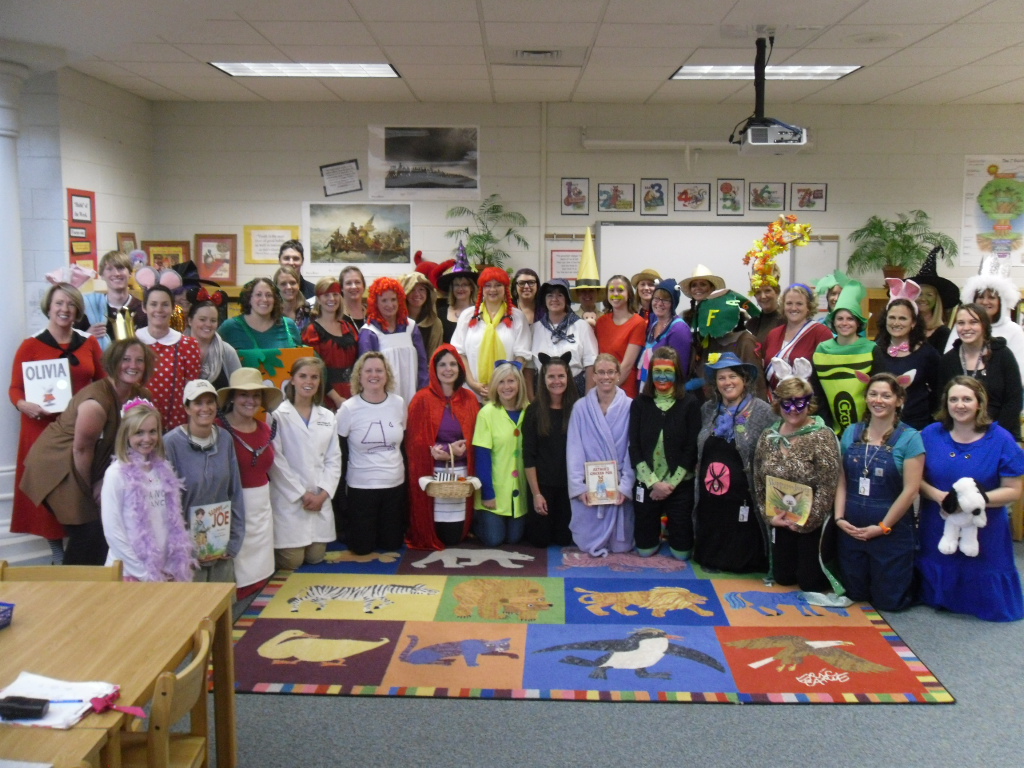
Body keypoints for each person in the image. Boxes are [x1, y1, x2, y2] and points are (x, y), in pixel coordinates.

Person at [21, 339, 154, 565]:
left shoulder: (141, 397)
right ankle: (72, 590)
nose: (133, 365)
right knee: (89, 527)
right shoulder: (96, 402)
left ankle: (95, 586)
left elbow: (136, 441)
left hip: (91, 462)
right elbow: (82, 450)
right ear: (113, 362)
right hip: (59, 463)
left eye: (139, 360)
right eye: (126, 359)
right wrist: (90, 489)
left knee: (100, 530)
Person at [9, 282, 105, 563]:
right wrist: (23, 405)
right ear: (49, 308)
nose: (65, 309)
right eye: (59, 303)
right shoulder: (30, 345)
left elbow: (102, 382)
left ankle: (79, 553)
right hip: (42, 430)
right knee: (48, 492)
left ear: (77, 310)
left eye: (71, 304)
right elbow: (15, 389)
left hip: (81, 429)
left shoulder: (89, 343)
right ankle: (57, 555)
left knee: (78, 490)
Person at [917, 376, 1024, 621]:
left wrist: (972, 502)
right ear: (946, 404)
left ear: (979, 403)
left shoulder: (1001, 439)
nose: (960, 405)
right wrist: (938, 496)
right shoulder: (931, 434)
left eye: (967, 399)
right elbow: (915, 480)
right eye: (954, 399)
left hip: (984, 525)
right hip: (938, 519)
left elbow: (1014, 490)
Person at [753, 366, 845, 601]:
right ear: (778, 403)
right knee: (783, 577)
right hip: (780, 517)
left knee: (809, 583)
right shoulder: (769, 435)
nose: (793, 410)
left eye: (799, 403)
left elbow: (828, 484)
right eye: (787, 403)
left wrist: (807, 522)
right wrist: (769, 516)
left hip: (811, 521)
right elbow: (758, 480)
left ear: (809, 403)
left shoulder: (821, 435)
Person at [834, 373, 924, 611]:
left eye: (886, 395)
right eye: (873, 394)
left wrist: (883, 527)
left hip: (890, 532)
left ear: (899, 400)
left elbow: (911, 491)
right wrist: (839, 519)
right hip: (851, 528)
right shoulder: (851, 433)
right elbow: (842, 481)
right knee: (856, 593)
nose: (878, 400)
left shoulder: (910, 438)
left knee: (890, 603)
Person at [694, 353, 775, 573]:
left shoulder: (763, 412)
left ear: (745, 380)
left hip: (744, 500)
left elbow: (774, 452)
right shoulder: (708, 410)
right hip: (711, 499)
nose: (727, 382)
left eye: (732, 376)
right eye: (721, 378)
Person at [101, 399, 196, 582]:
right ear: (126, 435)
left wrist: (170, 566)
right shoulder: (116, 474)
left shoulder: (164, 470)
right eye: (139, 433)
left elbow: (171, 522)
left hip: (164, 571)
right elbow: (113, 532)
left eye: (153, 431)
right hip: (130, 573)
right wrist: (145, 575)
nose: (147, 439)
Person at [164, 379, 245, 585]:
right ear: (187, 408)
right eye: (198, 403)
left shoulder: (225, 439)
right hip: (187, 551)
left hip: (220, 543)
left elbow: (234, 491)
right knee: (192, 610)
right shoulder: (170, 444)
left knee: (223, 607)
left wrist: (234, 540)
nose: (205, 408)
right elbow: (165, 504)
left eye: (210, 402)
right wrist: (178, 550)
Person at [269, 357, 342, 570]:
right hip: (291, 498)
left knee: (316, 557)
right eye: (302, 376)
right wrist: (302, 493)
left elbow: (333, 458)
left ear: (320, 382)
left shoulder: (328, 416)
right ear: (292, 380)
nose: (308, 381)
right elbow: (276, 461)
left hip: (319, 497)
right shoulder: (277, 415)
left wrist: (323, 494)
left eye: (314, 377)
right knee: (293, 561)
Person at [217, 367, 285, 595]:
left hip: (262, 504)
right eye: (244, 395)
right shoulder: (218, 429)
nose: (250, 401)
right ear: (233, 398)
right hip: (232, 505)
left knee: (260, 561)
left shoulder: (266, 429)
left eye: (256, 396)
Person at [406, 344, 480, 550]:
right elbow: (415, 442)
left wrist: (459, 451)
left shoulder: (470, 399)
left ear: (460, 368)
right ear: (434, 369)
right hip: (433, 474)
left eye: (453, 364)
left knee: (454, 537)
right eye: (442, 365)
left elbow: (476, 438)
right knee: (440, 534)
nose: (448, 369)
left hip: (462, 474)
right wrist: (445, 452)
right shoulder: (421, 399)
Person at [629, 347, 700, 559]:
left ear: (677, 373)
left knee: (682, 554)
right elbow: (635, 447)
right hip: (647, 482)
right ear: (650, 374)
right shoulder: (640, 404)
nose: (662, 376)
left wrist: (669, 485)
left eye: (667, 371)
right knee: (644, 550)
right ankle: (655, 530)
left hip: (678, 483)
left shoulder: (690, 403)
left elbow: (691, 448)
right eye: (657, 371)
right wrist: (653, 483)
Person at [337, 352, 407, 555]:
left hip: (394, 484)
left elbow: (402, 445)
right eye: (368, 370)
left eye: (379, 370)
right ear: (359, 376)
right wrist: (341, 495)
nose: (373, 375)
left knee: (392, 545)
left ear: (387, 375)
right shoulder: (348, 409)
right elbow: (340, 453)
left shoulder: (399, 403)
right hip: (362, 486)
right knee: (362, 549)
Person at [567, 353, 635, 557]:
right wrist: (580, 487)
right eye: (601, 372)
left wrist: (625, 486)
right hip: (591, 484)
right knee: (585, 543)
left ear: (618, 375)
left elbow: (634, 449)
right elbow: (574, 450)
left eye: (611, 372)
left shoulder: (631, 406)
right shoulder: (580, 408)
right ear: (594, 376)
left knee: (622, 546)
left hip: (618, 482)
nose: (606, 377)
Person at [938, 303, 1022, 440]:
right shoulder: (948, 360)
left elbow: (1014, 400)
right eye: (961, 323)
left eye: (973, 322)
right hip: (959, 436)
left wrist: (995, 435)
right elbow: (940, 402)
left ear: (984, 325)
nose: (966, 328)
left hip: (1000, 434)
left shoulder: (1003, 355)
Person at [523, 352, 578, 548]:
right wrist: (536, 494)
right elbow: (528, 456)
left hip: (568, 486)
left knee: (564, 539)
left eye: (561, 376)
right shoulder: (534, 411)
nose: (557, 381)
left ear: (568, 377)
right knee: (540, 541)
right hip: (542, 486)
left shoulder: (577, 409)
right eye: (551, 377)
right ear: (543, 379)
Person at [452, 267, 531, 402]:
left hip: (507, 393)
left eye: (498, 285)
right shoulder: (468, 316)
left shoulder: (518, 317)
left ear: (505, 288)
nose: (493, 290)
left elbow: (521, 356)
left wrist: (505, 384)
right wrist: (472, 383)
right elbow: (459, 353)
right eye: (488, 285)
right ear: (482, 289)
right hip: (472, 393)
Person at [472, 361, 529, 546]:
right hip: (495, 490)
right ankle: (476, 521)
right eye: (501, 382)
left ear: (519, 383)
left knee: (514, 539)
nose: (507, 387)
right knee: (494, 540)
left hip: (519, 493)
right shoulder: (486, 413)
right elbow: (482, 457)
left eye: (511, 381)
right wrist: (487, 493)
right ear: (495, 386)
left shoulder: (529, 411)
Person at [812, 280, 876, 435]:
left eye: (850, 318)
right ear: (833, 322)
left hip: (867, 429)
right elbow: (818, 393)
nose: (844, 323)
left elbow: (877, 389)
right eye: (840, 318)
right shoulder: (822, 350)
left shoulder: (872, 350)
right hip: (830, 429)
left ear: (858, 322)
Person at [135, 284, 203, 430]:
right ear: (144, 307)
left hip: (176, 427)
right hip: (138, 426)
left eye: (165, 304)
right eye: (153, 304)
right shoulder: (131, 342)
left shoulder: (188, 345)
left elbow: (192, 391)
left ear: (173, 308)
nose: (159, 309)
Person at [948, 256, 1024, 385]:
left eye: (991, 297)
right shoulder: (961, 327)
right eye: (980, 297)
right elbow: (949, 362)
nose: (985, 302)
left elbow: (1019, 375)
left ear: (1001, 301)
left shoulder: (1014, 331)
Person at [873, 293, 941, 431]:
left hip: (916, 426)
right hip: (881, 424)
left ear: (913, 323)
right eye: (892, 317)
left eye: (902, 318)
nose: (896, 323)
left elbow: (938, 391)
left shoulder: (927, 353)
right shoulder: (875, 349)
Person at [357, 276, 428, 408]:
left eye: (393, 299)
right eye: (384, 300)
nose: (389, 305)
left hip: (413, 396)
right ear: (375, 303)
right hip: (382, 400)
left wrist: (422, 393)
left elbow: (423, 364)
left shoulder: (411, 327)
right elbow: (366, 372)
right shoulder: (369, 332)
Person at [763, 284, 832, 395]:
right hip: (776, 404)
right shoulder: (773, 334)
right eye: (789, 303)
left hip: (807, 404)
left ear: (809, 307)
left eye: (799, 304)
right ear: (783, 306)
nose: (793, 308)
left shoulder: (821, 333)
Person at [302, 276, 360, 410]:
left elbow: (358, 361)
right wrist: (336, 398)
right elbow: (314, 369)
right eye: (326, 295)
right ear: (318, 299)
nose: (332, 299)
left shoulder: (347, 327)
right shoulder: (312, 331)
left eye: (335, 294)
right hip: (326, 395)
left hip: (354, 392)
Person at [532, 278, 598, 396]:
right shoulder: (535, 329)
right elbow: (529, 367)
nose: (554, 299)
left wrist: (588, 398)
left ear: (567, 299)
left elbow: (591, 364)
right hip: (543, 392)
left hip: (576, 389)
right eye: (550, 295)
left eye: (560, 295)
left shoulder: (581, 326)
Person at [77, 249, 147, 348]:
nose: (116, 273)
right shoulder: (90, 309)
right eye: (109, 269)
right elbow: (73, 345)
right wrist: (86, 336)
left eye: (121, 268)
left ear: (130, 273)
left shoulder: (143, 310)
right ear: (101, 275)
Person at [218, 277, 302, 355]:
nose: (264, 299)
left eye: (269, 295)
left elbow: (301, 360)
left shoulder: (289, 325)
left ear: (275, 300)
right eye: (258, 295)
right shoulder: (229, 327)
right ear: (249, 299)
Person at [595, 274, 645, 398]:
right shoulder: (601, 322)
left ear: (629, 295)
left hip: (624, 390)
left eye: (620, 290)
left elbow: (627, 365)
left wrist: (608, 389)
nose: (615, 294)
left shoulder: (638, 322)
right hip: (602, 387)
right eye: (611, 290)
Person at [638, 279, 692, 393]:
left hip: (666, 394)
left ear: (673, 303)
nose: (659, 303)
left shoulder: (679, 329)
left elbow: (680, 371)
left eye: (665, 300)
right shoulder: (654, 323)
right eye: (656, 298)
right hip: (647, 387)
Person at [185, 298, 241, 390]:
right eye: (202, 319)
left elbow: (239, 389)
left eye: (213, 320)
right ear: (190, 320)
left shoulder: (227, 351)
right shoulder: (176, 349)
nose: (208, 324)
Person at [435, 249, 477, 344]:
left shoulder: (480, 312)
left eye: (465, 284)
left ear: (471, 288)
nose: (460, 288)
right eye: (456, 285)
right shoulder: (441, 313)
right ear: (452, 288)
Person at [402, 271, 443, 361]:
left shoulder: (435, 324)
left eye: (421, 289)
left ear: (428, 294)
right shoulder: (397, 322)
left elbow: (433, 358)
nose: (417, 294)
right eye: (412, 289)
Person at [745, 268, 785, 349]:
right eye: (758, 292)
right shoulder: (752, 324)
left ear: (777, 292)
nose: (763, 296)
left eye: (767, 291)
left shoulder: (787, 321)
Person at [679, 264, 725, 332]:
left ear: (712, 288)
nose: (698, 288)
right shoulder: (684, 316)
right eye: (694, 285)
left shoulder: (722, 313)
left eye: (702, 284)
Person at [274, 265, 311, 334]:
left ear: (298, 285)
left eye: (293, 283)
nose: (289, 287)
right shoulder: (272, 313)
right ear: (276, 287)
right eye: (283, 284)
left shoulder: (308, 311)